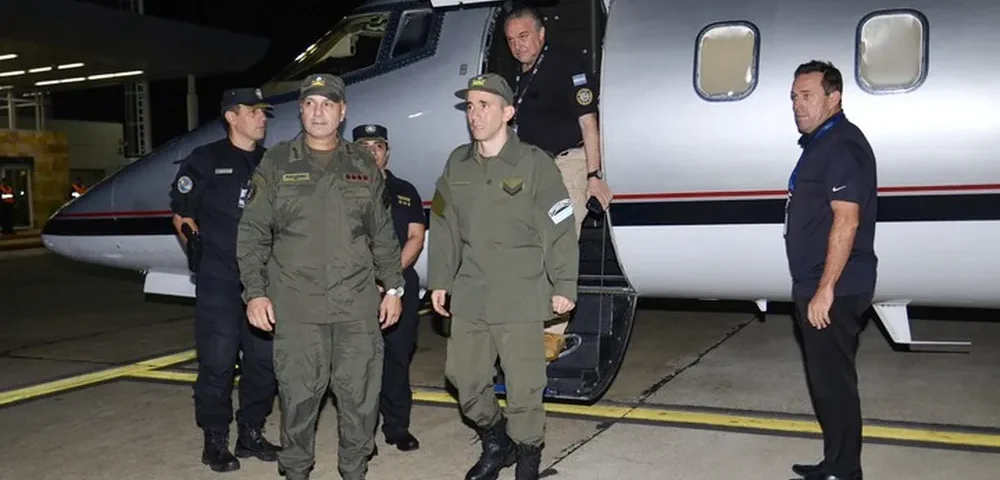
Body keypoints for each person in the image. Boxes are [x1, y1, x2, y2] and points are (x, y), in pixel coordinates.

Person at [236, 73, 404, 480]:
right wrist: (255, 293)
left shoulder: (362, 163)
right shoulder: (277, 162)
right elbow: (253, 233)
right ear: (301, 111)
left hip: (356, 307)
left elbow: (382, 233)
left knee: (361, 399)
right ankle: (296, 471)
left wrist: (393, 287)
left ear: (342, 112)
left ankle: (354, 470)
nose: (318, 112)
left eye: (327, 104)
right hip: (297, 307)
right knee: (298, 399)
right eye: (310, 104)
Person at [428, 73, 580, 480]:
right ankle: (498, 441)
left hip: (520, 292)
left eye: (485, 105)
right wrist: (440, 279)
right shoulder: (457, 163)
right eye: (470, 106)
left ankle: (528, 459)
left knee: (524, 387)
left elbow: (560, 225)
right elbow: (442, 224)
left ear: (508, 112)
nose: (474, 115)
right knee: (463, 379)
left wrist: (564, 283)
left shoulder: (534, 163)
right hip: (472, 291)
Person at [168, 87, 281, 473]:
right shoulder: (205, 160)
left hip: (263, 283)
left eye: (264, 112)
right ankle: (215, 440)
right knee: (218, 364)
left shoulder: (272, 162)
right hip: (220, 281)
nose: (262, 118)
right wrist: (198, 252)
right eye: (254, 111)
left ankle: (251, 432)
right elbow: (182, 216)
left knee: (264, 364)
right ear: (232, 117)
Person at [784, 60, 878, 480]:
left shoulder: (841, 145)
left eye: (807, 96)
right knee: (826, 384)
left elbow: (847, 220)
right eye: (794, 97)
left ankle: (846, 471)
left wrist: (825, 290)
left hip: (834, 288)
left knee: (834, 385)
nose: (798, 105)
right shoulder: (823, 143)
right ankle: (836, 463)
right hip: (819, 283)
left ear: (834, 97)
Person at [502, 5, 611, 360]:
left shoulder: (567, 66)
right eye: (511, 40)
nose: (518, 45)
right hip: (533, 170)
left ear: (541, 33)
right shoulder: (515, 75)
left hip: (569, 164)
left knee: (561, 241)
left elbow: (589, 123)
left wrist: (594, 176)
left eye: (524, 36)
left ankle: (551, 333)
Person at [352, 123, 425, 452]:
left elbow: (416, 237)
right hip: (357, 285)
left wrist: (389, 276)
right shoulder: (340, 189)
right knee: (359, 361)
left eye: (378, 146)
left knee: (397, 356)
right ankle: (361, 432)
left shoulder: (405, 190)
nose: (372, 152)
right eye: (364, 147)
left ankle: (397, 427)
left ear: (387, 152)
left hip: (399, 283)